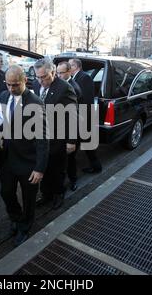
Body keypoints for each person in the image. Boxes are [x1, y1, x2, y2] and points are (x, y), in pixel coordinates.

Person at [0, 65, 49, 246]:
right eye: (8, 84)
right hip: (8, 159)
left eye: (15, 85)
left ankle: (25, 226)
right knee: (5, 192)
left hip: (28, 161)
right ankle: (16, 217)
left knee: (29, 199)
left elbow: (43, 137)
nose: (11, 89)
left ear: (24, 81)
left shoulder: (35, 102)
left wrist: (39, 168)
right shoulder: (3, 96)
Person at [33, 59, 78, 210]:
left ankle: (59, 194)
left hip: (59, 137)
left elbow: (73, 115)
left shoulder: (65, 88)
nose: (41, 81)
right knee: (43, 167)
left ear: (53, 73)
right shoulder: (35, 84)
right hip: (42, 137)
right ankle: (46, 194)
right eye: (38, 77)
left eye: (44, 77)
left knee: (57, 169)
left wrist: (71, 140)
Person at [69, 58, 102, 174]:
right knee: (87, 146)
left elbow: (87, 100)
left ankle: (96, 167)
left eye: (70, 65)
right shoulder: (76, 78)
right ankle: (96, 166)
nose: (69, 67)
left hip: (84, 118)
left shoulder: (85, 78)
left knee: (88, 146)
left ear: (77, 66)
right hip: (81, 118)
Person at [56, 61, 83, 192]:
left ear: (69, 72)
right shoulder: (60, 85)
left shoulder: (73, 88)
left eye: (61, 73)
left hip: (71, 130)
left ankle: (73, 181)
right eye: (57, 72)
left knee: (70, 159)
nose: (58, 75)